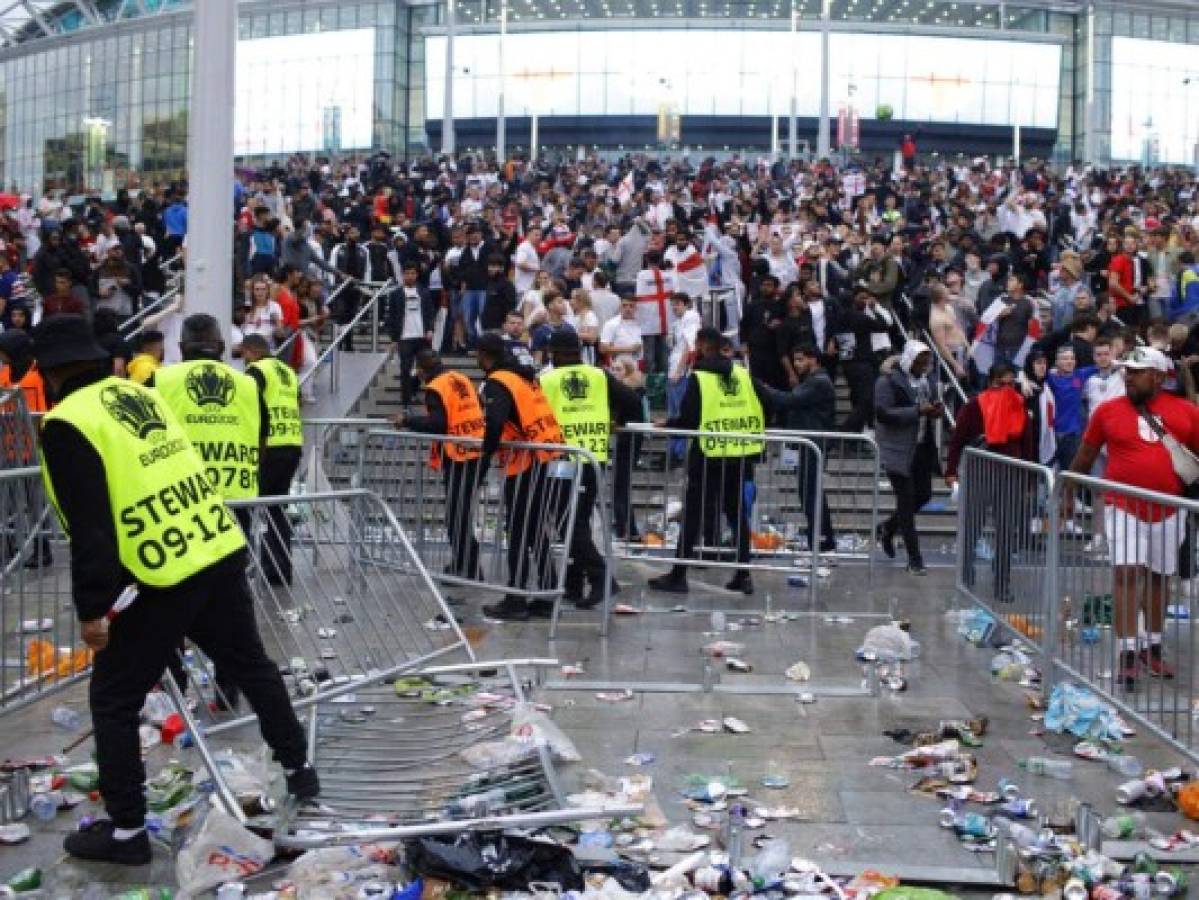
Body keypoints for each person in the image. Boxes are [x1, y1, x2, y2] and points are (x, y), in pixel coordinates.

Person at [33, 315, 316, 865]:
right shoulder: (135, 395)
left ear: (48, 374)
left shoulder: (67, 422)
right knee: (251, 662)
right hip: (213, 543)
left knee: (113, 699)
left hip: (159, 570)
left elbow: (92, 526)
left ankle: (126, 832)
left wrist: (93, 610)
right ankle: (299, 769)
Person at [1068, 346, 1199, 693]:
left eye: (1137, 371)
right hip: (1122, 505)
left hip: (1169, 507)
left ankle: (1152, 647)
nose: (1128, 376)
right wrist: (1065, 492)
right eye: (1127, 370)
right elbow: (1085, 454)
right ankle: (1127, 653)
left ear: (1158, 376)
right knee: (1126, 573)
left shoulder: (1185, 411)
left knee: (1159, 578)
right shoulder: (1107, 411)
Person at [648, 327, 772, 596]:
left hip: (709, 455)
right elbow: (766, 402)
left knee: (693, 513)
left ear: (704, 346)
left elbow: (690, 419)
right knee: (736, 513)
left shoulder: (700, 377)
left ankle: (679, 574)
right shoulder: (741, 373)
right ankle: (743, 574)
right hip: (740, 453)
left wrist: (668, 424)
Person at [541, 330, 644, 608]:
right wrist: (615, 419)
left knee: (568, 525)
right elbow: (634, 402)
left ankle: (602, 578)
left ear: (555, 353)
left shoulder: (546, 379)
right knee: (579, 523)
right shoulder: (599, 375)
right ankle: (575, 584)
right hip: (593, 458)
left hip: (562, 461)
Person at [476, 333, 566, 622]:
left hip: (525, 462)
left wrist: (483, 460)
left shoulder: (499, 381)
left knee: (518, 531)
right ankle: (548, 593)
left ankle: (516, 598)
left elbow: (495, 423)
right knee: (535, 530)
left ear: (484, 355)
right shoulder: (522, 377)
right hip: (543, 457)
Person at [395, 350, 485, 589]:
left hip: (459, 455)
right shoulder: (460, 377)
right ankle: (469, 565)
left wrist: (407, 421)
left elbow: (437, 424)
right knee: (460, 513)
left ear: (422, 371)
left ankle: (466, 567)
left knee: (456, 515)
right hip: (475, 450)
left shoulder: (435, 387)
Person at [945, 363, 1029, 602]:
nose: (1005, 389)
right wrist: (951, 472)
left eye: (1010, 384)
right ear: (990, 381)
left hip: (1010, 474)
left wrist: (1030, 479)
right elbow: (957, 439)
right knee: (972, 527)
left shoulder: (1019, 406)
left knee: (1005, 532)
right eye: (1000, 383)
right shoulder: (975, 406)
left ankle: (1002, 581)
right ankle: (966, 573)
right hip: (980, 473)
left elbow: (1028, 444)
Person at [874, 340, 943, 575]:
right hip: (898, 449)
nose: (924, 367)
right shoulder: (888, 381)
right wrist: (916, 411)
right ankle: (915, 558)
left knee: (923, 495)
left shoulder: (926, 382)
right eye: (920, 362)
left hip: (921, 446)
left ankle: (888, 527)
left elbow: (927, 408)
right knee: (905, 500)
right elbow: (883, 413)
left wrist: (934, 411)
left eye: (927, 363)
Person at [241, 334, 304, 586]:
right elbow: (298, 402)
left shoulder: (256, 370)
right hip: (292, 443)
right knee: (276, 509)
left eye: (244, 354)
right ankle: (279, 569)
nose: (244, 359)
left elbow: (248, 404)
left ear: (250, 351)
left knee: (251, 507)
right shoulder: (286, 370)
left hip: (269, 446)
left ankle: (255, 568)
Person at [770, 345, 837, 554]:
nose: (796, 365)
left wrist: (760, 387)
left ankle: (822, 541)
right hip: (808, 444)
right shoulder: (812, 381)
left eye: (800, 360)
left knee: (812, 495)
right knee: (809, 494)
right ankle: (821, 540)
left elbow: (790, 400)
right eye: (795, 360)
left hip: (813, 445)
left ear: (814, 360)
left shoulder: (818, 382)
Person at [386, 261, 435, 407]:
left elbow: (430, 311)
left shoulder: (424, 292)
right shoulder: (396, 294)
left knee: (425, 368)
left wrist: (430, 329)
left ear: (417, 275)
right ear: (402, 275)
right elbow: (392, 316)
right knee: (405, 369)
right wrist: (394, 338)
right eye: (407, 273)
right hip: (405, 337)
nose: (410, 276)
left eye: (413, 273)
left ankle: (416, 391)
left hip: (422, 335)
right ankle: (405, 401)